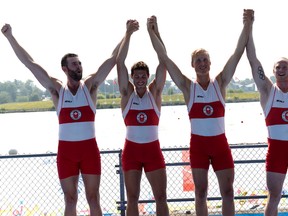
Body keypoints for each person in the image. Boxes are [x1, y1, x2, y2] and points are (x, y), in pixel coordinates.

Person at [1, 23, 123, 216]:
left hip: (89, 151)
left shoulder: (90, 87)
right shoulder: (57, 90)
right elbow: (30, 64)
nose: (79, 66)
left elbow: (112, 60)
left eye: (80, 63)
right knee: (70, 199)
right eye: (74, 64)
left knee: (93, 198)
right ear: (65, 69)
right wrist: (10, 38)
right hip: (66, 153)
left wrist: (127, 33)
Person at [148, 10, 254, 216]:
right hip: (198, 146)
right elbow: (164, 58)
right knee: (200, 193)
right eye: (198, 60)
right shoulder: (189, 88)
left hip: (220, 145)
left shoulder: (220, 83)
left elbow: (238, 52)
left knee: (228, 192)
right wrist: (154, 32)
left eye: (205, 59)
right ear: (192, 65)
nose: (202, 63)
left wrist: (247, 24)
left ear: (210, 63)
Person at [116, 17, 169, 216]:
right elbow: (119, 62)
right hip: (131, 152)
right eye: (136, 76)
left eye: (143, 76)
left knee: (161, 198)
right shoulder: (126, 95)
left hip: (153, 151)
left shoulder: (154, 93)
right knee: (132, 199)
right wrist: (128, 34)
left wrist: (154, 32)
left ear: (148, 77)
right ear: (132, 78)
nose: (139, 79)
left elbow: (164, 61)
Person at [246, 14, 288, 216]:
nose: (281, 69)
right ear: (273, 71)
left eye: (285, 66)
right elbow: (253, 60)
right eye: (278, 67)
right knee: (274, 197)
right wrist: (249, 26)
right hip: (277, 151)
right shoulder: (268, 92)